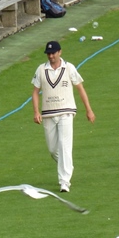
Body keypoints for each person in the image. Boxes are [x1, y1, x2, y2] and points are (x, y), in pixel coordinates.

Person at [32, 41, 95, 193]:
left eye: (53, 53)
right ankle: (68, 165)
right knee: (53, 149)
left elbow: (80, 88)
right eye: (49, 53)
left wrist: (89, 110)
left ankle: (64, 181)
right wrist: (36, 112)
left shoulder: (69, 68)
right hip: (48, 114)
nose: (51, 56)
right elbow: (35, 92)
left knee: (64, 145)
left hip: (66, 112)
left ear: (60, 52)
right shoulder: (41, 69)